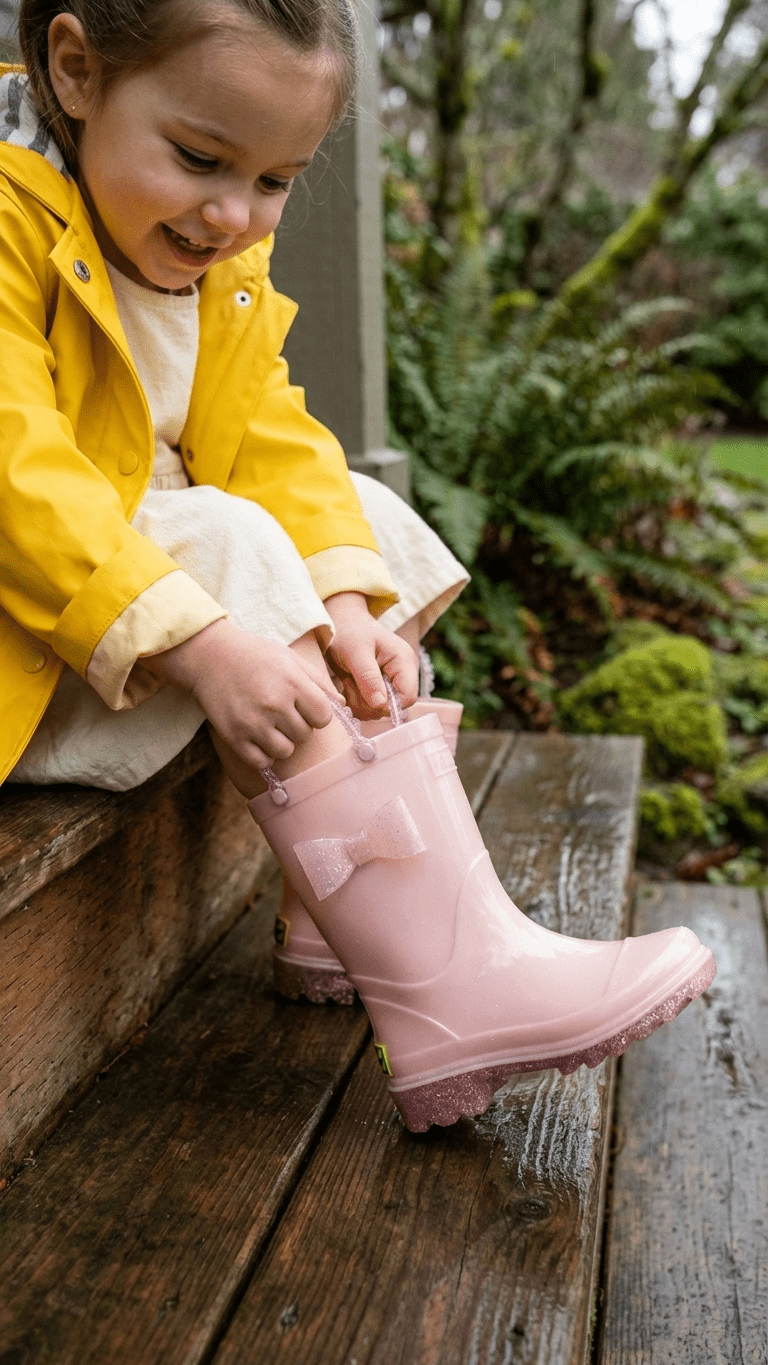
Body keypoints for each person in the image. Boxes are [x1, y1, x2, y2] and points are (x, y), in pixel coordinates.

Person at [0, 0, 715, 1133]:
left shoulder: (215, 252)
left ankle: (333, 912)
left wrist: (339, 601)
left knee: (367, 517)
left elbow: (270, 436)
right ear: (76, 70)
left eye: (276, 180)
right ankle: (447, 983)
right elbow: (16, 479)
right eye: (200, 158)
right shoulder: (7, 219)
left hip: (144, 633)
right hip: (39, 656)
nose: (233, 213)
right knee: (229, 535)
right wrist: (206, 638)